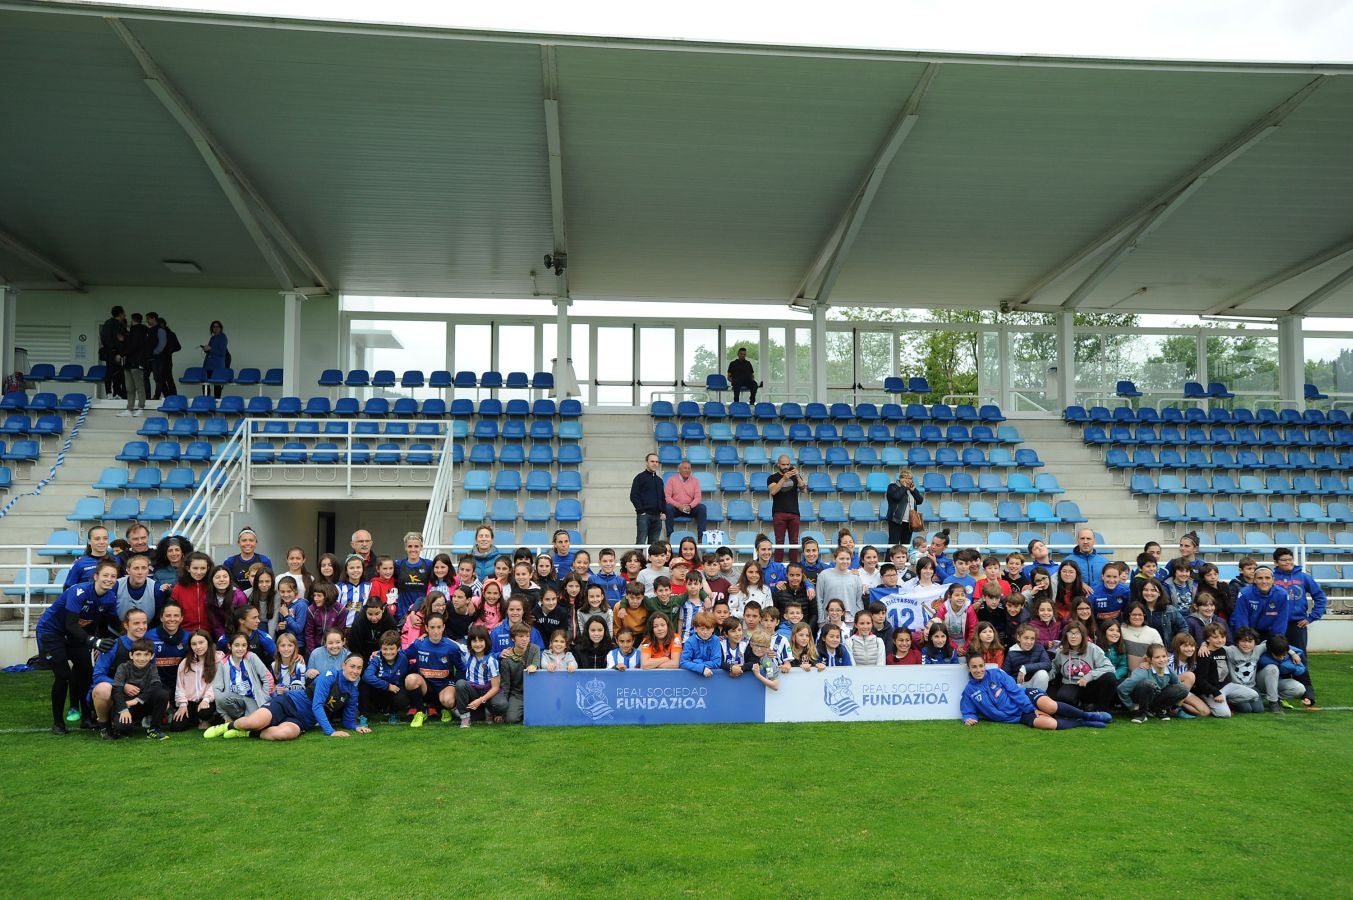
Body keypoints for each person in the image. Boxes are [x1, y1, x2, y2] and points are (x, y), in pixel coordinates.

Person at [36, 560, 120, 733]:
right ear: (95, 576)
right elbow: (71, 624)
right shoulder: (79, 591)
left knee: (87, 671)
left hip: (76, 635)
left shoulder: (110, 597)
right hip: (52, 633)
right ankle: (58, 723)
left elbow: (109, 624)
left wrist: (117, 640)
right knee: (63, 675)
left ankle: (86, 718)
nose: (109, 579)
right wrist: (93, 641)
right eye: (105, 575)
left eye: (113, 576)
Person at [207, 654, 370, 741]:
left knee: (284, 734)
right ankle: (227, 727)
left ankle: (247, 734)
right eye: (352, 666)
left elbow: (348, 719)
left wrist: (356, 727)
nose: (355, 671)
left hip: (303, 721)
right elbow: (317, 705)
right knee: (253, 722)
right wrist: (330, 732)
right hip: (288, 702)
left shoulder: (353, 692)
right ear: (344, 666)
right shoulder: (329, 676)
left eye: (359, 668)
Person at [961, 650, 1111, 730]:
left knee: (1050, 706)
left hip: (1026, 698)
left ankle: (1089, 715)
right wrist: (968, 717)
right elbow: (967, 710)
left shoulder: (996, 674)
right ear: (969, 667)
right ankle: (1083, 723)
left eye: (981, 666)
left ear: (985, 665)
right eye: (974, 667)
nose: (978, 670)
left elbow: (1016, 691)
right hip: (1017, 717)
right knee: (1049, 724)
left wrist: (1031, 708)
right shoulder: (969, 691)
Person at [110, 637, 171, 740]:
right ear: (131, 655)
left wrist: (137, 699)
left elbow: (156, 685)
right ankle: (114, 722)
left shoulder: (152, 668)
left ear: (151, 656)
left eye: (146, 654)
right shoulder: (123, 667)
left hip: (143, 703)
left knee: (162, 694)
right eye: (138, 654)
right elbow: (116, 690)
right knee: (122, 729)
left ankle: (154, 729)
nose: (142, 658)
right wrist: (123, 709)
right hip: (127, 706)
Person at [456, 625, 505, 726]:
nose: (478, 644)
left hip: (489, 691)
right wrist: (427, 636)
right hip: (473, 690)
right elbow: (451, 642)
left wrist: (480, 700)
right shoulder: (467, 653)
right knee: (460, 684)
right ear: (470, 642)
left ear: (486, 641)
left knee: (502, 705)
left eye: (481, 641)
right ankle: (465, 718)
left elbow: (495, 688)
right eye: (474, 641)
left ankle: (489, 711)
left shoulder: (491, 661)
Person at [360, 631, 411, 725]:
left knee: (403, 696)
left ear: (398, 648)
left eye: (392, 649)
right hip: (379, 691)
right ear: (380, 649)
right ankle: (364, 716)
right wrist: (387, 686)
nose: (388, 652)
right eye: (385, 649)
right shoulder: (376, 658)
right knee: (364, 684)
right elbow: (367, 676)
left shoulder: (403, 658)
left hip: (395, 690)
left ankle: (393, 713)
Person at [171, 630, 218, 731]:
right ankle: (195, 718)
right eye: (194, 644)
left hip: (208, 700)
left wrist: (206, 699)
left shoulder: (217, 660)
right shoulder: (185, 663)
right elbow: (180, 686)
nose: (198, 647)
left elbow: (217, 684)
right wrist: (182, 704)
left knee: (204, 712)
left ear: (208, 642)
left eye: (201, 642)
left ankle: (207, 718)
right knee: (176, 726)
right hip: (190, 701)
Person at [767, 455, 807, 562]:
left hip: (794, 513)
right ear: (778, 465)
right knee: (779, 541)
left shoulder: (794, 476)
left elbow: (804, 489)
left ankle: (794, 566)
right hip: (779, 513)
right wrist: (783, 478)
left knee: (794, 541)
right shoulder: (772, 477)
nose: (786, 466)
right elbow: (773, 491)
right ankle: (778, 565)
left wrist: (798, 476)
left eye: (787, 464)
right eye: (783, 464)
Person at [116, 312, 150, 416]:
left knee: (138, 387)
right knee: (130, 387)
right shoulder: (140, 331)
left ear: (133, 320)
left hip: (136, 362)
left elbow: (133, 346)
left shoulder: (138, 331)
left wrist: (121, 354)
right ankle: (130, 409)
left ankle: (140, 408)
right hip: (131, 363)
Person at [664, 460, 707, 539]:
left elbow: (698, 497)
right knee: (668, 507)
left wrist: (690, 506)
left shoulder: (695, 481)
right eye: (685, 468)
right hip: (676, 508)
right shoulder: (671, 480)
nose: (687, 470)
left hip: (689, 508)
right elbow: (667, 497)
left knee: (702, 508)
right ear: (679, 469)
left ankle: (701, 538)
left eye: (689, 468)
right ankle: (670, 536)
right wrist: (678, 505)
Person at [630, 452, 666, 545]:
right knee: (641, 542)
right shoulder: (639, 478)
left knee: (654, 545)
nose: (655, 464)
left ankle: (651, 560)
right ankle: (638, 560)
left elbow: (663, 498)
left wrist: (664, 512)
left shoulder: (659, 480)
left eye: (657, 462)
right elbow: (634, 496)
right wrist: (641, 511)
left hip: (657, 517)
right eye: (652, 461)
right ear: (647, 463)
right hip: (644, 516)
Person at [884, 469, 924, 546]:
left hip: (909, 521)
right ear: (900, 478)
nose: (908, 480)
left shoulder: (911, 490)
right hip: (896, 520)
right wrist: (904, 487)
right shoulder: (892, 487)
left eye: (910, 478)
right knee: (893, 544)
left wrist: (914, 490)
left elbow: (920, 501)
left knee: (905, 545)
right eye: (905, 478)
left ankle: (904, 558)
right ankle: (889, 558)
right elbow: (897, 497)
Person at [99, 305, 127, 399]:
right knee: (110, 372)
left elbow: (124, 339)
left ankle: (117, 393)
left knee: (119, 374)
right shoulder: (109, 323)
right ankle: (109, 393)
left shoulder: (121, 324)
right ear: (120, 314)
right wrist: (114, 350)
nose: (125, 315)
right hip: (111, 353)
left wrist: (121, 352)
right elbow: (106, 338)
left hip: (120, 354)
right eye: (123, 313)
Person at [199, 320, 229, 399]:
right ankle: (206, 399)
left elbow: (222, 352)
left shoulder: (223, 337)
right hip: (208, 365)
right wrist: (206, 349)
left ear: (220, 328)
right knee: (205, 384)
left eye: (217, 327)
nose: (215, 328)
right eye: (213, 327)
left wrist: (210, 348)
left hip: (217, 366)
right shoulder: (212, 338)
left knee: (217, 385)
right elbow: (211, 350)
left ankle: (217, 401)